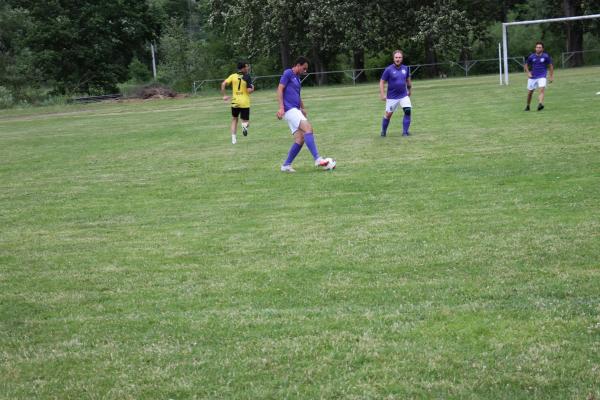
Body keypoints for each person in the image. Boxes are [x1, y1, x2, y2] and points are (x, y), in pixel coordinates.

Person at [277, 56, 331, 172]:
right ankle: (317, 158)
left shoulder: (297, 78)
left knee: (300, 139)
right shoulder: (288, 73)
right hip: (289, 109)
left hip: (295, 109)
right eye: (304, 68)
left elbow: (297, 95)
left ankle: (286, 165)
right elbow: (280, 89)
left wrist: (302, 108)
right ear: (298, 65)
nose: (305, 71)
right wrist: (281, 108)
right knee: (308, 129)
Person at [379, 50, 412, 137]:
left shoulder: (405, 68)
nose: (398, 59)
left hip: (403, 95)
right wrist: (382, 94)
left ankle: (405, 132)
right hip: (392, 97)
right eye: (396, 57)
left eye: (400, 57)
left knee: (408, 111)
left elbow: (408, 80)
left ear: (402, 58)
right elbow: (382, 82)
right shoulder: (388, 69)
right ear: (393, 58)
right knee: (388, 115)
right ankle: (383, 131)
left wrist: (409, 90)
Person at [221, 61, 254, 144]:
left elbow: (223, 84)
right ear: (243, 68)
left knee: (234, 119)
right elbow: (249, 91)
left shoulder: (233, 76)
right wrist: (253, 88)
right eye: (246, 67)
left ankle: (233, 139)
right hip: (244, 102)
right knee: (246, 122)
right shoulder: (247, 76)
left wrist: (224, 95)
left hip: (235, 102)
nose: (247, 68)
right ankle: (244, 126)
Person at [524, 42, 554, 111]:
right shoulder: (531, 56)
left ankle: (540, 104)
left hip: (542, 76)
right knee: (530, 93)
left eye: (540, 47)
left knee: (541, 90)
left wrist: (551, 76)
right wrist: (528, 73)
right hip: (533, 77)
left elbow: (550, 66)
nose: (538, 48)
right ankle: (528, 106)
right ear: (535, 48)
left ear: (542, 49)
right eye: (537, 47)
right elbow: (525, 65)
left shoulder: (546, 56)